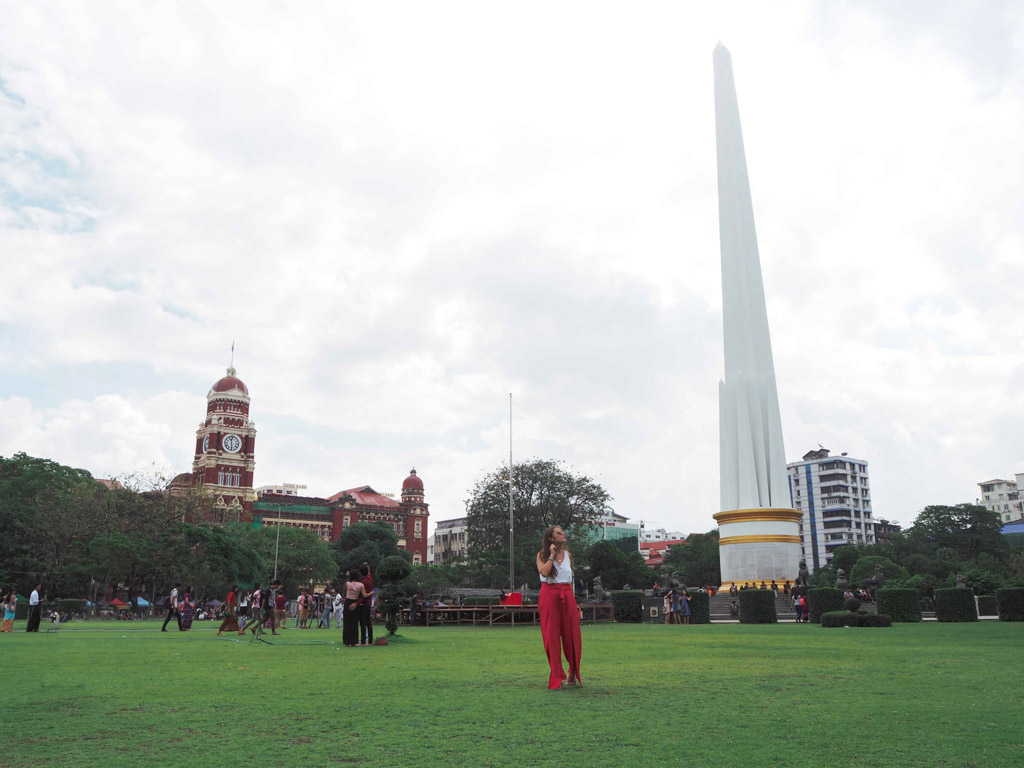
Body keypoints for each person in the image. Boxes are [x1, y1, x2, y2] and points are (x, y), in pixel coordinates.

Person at [536, 525, 582, 690]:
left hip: (567, 595)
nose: (563, 534)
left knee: (572, 635)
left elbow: (570, 577)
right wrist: (552, 556)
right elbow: (544, 572)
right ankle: (556, 675)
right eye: (559, 533)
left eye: (563, 532)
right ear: (550, 538)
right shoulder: (542, 555)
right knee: (552, 636)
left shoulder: (569, 555)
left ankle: (572, 673)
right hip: (549, 596)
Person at [343, 569, 373, 647]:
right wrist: (371, 593)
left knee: (347, 622)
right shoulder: (361, 585)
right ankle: (353, 641)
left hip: (348, 602)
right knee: (354, 623)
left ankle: (346, 641)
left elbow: (346, 592)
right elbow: (364, 595)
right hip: (355, 602)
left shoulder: (348, 583)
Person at [358, 564, 374, 646]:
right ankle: (370, 640)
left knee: (363, 623)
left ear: (360, 573)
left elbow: (363, 595)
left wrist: (357, 603)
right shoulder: (370, 579)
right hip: (369, 603)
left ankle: (363, 641)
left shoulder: (363, 582)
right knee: (368, 622)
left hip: (363, 604)